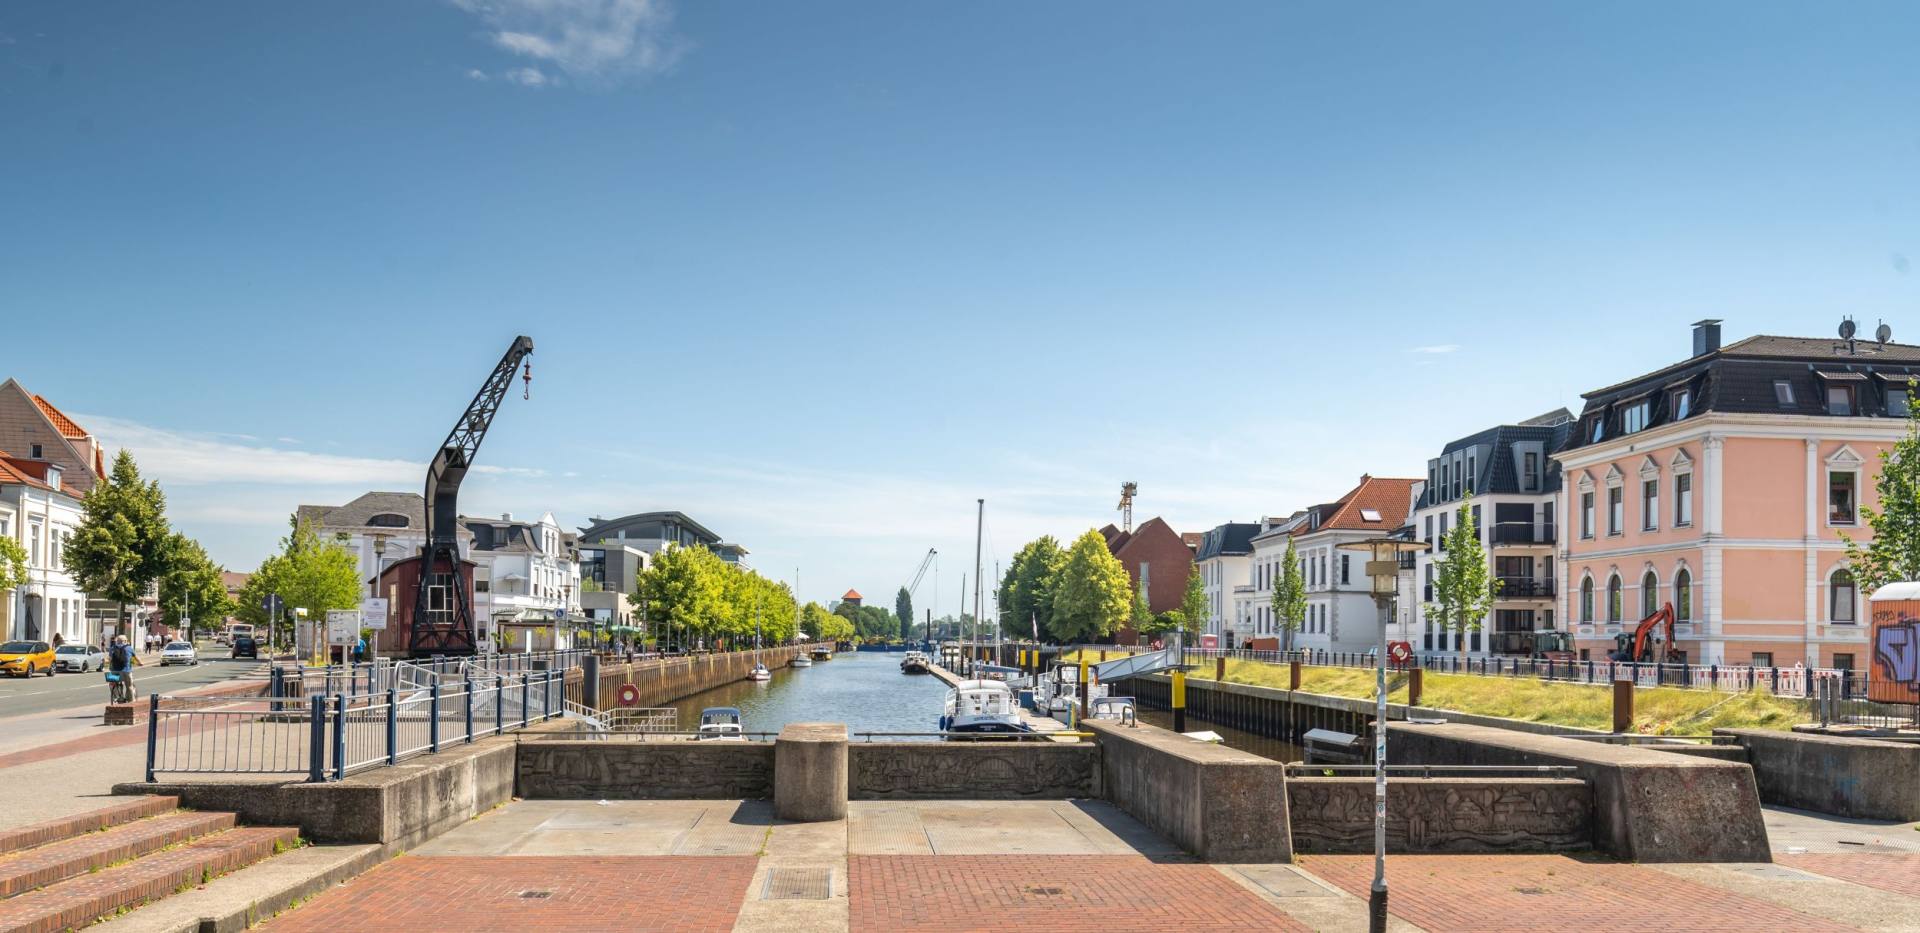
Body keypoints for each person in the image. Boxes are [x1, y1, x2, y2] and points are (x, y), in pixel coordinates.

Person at [107, 635, 140, 701]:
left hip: (114, 671)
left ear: (117, 641)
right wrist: (140, 663)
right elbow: (136, 658)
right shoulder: (129, 648)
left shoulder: (112, 648)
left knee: (111, 684)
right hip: (126, 671)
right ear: (125, 641)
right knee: (129, 687)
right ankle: (131, 701)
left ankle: (116, 697)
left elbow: (109, 659)